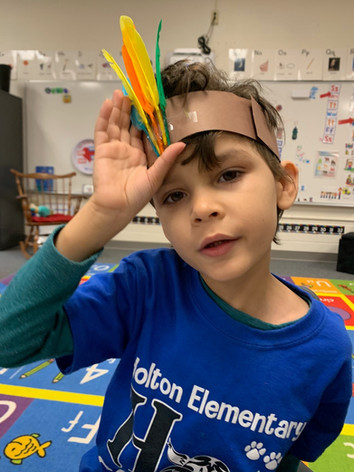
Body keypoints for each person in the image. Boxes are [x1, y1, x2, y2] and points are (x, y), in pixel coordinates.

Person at [0, 61, 352, 472]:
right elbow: (10, 339)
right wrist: (101, 214)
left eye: (229, 174)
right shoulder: (146, 287)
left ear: (283, 185)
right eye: (174, 196)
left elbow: (292, 455)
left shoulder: (327, 349)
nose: (202, 208)